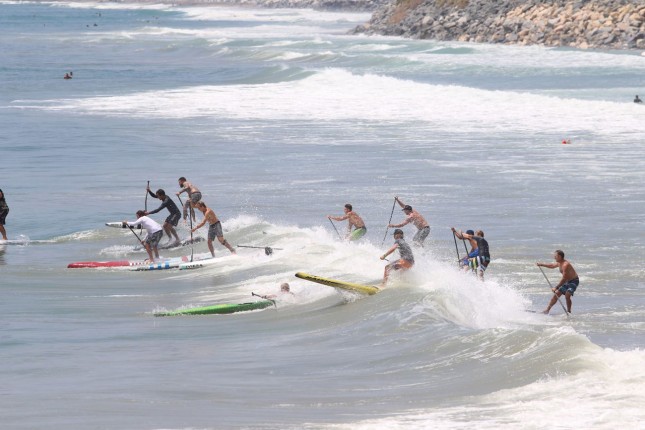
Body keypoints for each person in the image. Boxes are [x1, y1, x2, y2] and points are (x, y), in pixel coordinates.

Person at [538, 250, 579, 314]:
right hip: (567, 281)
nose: (554, 257)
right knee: (556, 294)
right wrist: (542, 264)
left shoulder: (566, 265)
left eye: (555, 256)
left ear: (559, 256)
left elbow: (564, 278)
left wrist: (556, 287)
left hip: (574, 281)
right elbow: (552, 265)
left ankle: (569, 312)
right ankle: (547, 310)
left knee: (567, 295)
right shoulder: (559, 263)